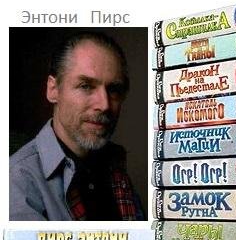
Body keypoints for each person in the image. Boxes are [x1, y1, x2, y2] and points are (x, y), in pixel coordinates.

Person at [9, 31, 144, 220]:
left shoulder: (115, 165)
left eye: (113, 89)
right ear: (53, 90)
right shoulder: (16, 181)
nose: (104, 104)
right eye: (86, 86)